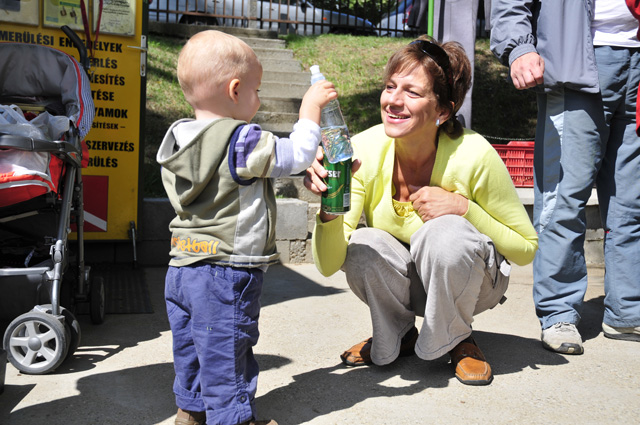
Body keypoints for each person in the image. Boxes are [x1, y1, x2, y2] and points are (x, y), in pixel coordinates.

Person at [304, 35, 538, 386]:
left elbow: (526, 249)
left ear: (443, 111)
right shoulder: (362, 151)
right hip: (411, 280)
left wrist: (464, 208)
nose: (393, 101)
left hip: (476, 280)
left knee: (444, 233)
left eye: (412, 93)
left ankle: (456, 337)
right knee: (364, 243)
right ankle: (398, 335)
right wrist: (328, 209)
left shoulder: (474, 154)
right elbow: (328, 264)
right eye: (390, 87)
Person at [156, 30, 337, 425]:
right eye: (257, 89)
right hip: (225, 269)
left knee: (191, 346)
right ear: (235, 90)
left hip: (182, 265)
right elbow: (297, 155)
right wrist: (309, 110)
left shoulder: (182, 139)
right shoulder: (241, 140)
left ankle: (191, 410)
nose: (258, 98)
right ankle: (234, 419)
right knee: (226, 350)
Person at [490, 0, 640, 355]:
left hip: (637, 63)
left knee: (632, 201)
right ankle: (558, 312)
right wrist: (519, 47)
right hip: (575, 60)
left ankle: (627, 310)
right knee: (563, 197)